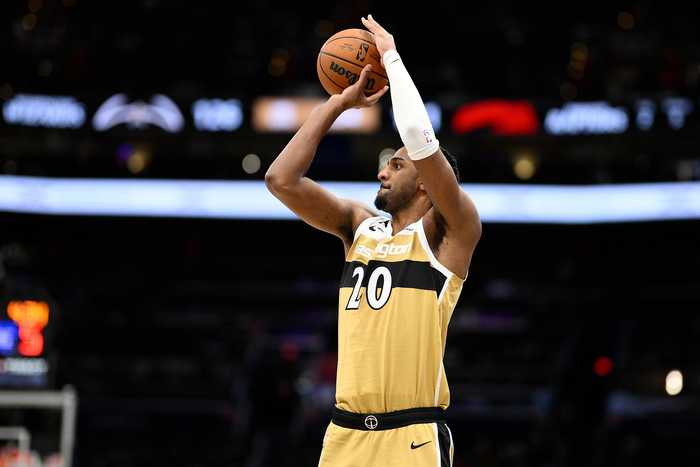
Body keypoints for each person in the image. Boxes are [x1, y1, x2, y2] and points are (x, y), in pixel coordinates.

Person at [265, 14, 481, 467]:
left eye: (396, 165)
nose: (382, 172)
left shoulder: (450, 231)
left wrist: (392, 59)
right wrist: (337, 104)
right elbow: (281, 179)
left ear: (426, 183)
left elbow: (419, 139)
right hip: (344, 435)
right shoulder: (359, 227)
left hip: (411, 435)